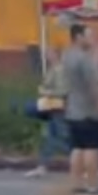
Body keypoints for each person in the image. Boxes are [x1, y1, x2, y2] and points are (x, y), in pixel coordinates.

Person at [61, 23, 98, 194]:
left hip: (73, 109)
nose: (91, 39)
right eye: (88, 36)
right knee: (92, 149)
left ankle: (76, 182)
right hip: (89, 111)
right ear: (78, 37)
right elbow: (94, 86)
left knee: (77, 148)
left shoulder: (67, 56)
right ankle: (93, 183)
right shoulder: (84, 59)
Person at [26, 47, 69, 178]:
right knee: (52, 136)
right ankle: (43, 165)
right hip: (54, 107)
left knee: (60, 136)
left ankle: (84, 161)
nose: (46, 57)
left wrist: (45, 92)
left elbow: (62, 91)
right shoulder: (54, 69)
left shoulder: (59, 70)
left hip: (57, 107)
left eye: (49, 54)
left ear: (56, 54)